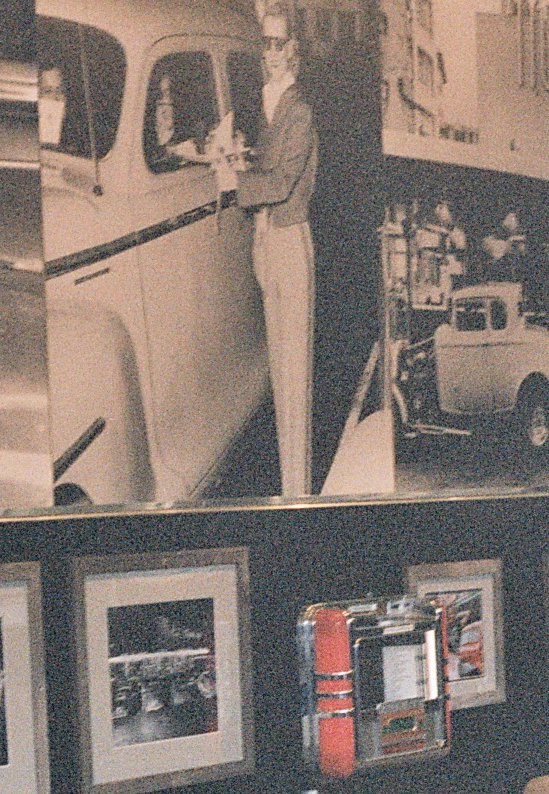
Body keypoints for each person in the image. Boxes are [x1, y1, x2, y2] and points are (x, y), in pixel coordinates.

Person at [235, 15, 317, 498]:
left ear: (291, 49)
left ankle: (298, 494)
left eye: (276, 43)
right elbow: (261, 165)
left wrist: (233, 181)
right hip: (266, 237)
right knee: (279, 373)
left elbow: (283, 181)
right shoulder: (265, 102)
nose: (268, 53)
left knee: (295, 378)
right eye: (263, 44)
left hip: (290, 240)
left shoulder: (299, 109)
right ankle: (288, 491)